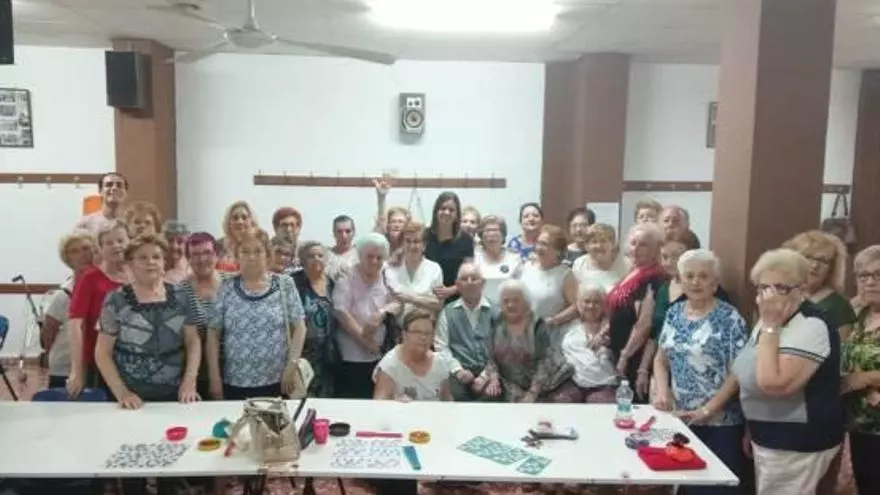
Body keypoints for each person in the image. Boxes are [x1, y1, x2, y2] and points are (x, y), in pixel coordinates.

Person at [731, 249, 843, 495]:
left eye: (780, 288)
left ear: (801, 289)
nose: (770, 296)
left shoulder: (811, 323)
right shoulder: (769, 318)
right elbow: (749, 369)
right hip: (767, 432)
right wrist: (752, 427)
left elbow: (774, 384)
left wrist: (771, 325)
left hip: (797, 440)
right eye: (763, 288)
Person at [653, 249, 748, 495]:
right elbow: (661, 359)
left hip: (720, 422)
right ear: (681, 281)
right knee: (685, 485)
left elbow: (738, 372)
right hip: (681, 419)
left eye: (704, 276)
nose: (696, 282)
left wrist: (708, 410)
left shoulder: (730, 318)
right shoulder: (674, 312)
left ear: (715, 284)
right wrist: (663, 393)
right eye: (690, 276)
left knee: (713, 488)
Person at [95, 234, 202, 407]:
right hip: (130, 398)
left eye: (156, 257)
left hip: (177, 395)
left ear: (164, 262)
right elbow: (102, 352)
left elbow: (193, 341)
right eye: (143, 257)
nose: (150, 262)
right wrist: (122, 393)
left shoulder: (183, 295)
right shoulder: (115, 300)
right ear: (130, 263)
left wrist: (190, 381)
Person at [206, 230, 307, 400]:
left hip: (280, 381)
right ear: (236, 256)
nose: (251, 257)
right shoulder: (226, 287)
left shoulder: (284, 284)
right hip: (236, 382)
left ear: (267, 254)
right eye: (245, 251)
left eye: (258, 251)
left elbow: (300, 328)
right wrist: (214, 377)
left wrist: (291, 366)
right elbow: (213, 333)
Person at [372, 309, 451, 495]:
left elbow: (447, 400)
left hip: (433, 430)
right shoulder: (390, 365)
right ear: (404, 334)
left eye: (428, 333)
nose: (422, 338)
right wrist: (395, 405)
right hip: (402, 434)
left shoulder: (440, 362)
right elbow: (377, 407)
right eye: (416, 332)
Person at [482, 279, 578, 403]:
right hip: (511, 385)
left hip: (547, 383)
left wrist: (533, 392)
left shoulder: (537, 324)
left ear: (526, 302)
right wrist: (494, 378)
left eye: (516, 300)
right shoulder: (495, 322)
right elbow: (489, 357)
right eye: (506, 301)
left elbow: (545, 361)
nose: (510, 305)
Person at [332, 233, 402, 399]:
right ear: (360, 255)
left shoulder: (387, 274)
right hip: (351, 355)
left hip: (381, 352)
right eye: (369, 256)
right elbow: (340, 312)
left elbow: (398, 301)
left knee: (379, 399)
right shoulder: (347, 277)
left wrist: (381, 313)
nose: (375, 261)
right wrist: (365, 342)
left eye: (379, 257)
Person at [66, 220, 130, 397]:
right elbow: (75, 325)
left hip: (133, 361)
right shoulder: (90, 278)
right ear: (100, 248)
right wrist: (76, 370)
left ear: (129, 242)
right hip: (98, 361)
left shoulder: (137, 276)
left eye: (120, 240)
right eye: (109, 243)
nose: (116, 246)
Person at [606, 223, 666, 401]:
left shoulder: (654, 278)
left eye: (643, 244)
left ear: (656, 249)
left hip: (636, 354)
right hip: (621, 348)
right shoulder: (633, 271)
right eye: (633, 243)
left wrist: (625, 355)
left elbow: (644, 324)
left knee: (634, 404)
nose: (636, 248)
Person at [841, 245, 880, 494]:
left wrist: (866, 378)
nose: (870, 281)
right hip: (858, 425)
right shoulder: (855, 314)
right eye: (863, 275)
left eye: (878, 275)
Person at [435, 262, 496, 401]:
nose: (469, 282)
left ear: (483, 283)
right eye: (464, 279)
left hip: (490, 372)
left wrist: (485, 376)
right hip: (458, 373)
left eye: (474, 278)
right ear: (457, 284)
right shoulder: (447, 312)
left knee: (492, 394)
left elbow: (502, 349)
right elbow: (441, 347)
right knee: (454, 396)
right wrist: (458, 371)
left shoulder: (496, 311)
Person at [41, 232, 96, 388]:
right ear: (67, 259)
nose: (82, 255)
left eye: (86, 248)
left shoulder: (107, 286)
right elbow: (48, 332)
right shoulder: (63, 294)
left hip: (98, 367)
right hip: (64, 368)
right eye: (74, 251)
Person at [783, 230, 856, 339]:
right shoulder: (783, 295)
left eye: (823, 260)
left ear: (831, 269)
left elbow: (840, 346)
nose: (815, 265)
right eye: (808, 257)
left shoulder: (838, 306)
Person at [180, 232, 223, 399]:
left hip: (232, 371)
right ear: (188, 259)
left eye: (207, 253)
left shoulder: (231, 284)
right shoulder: (180, 290)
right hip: (195, 374)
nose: (202, 259)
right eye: (195, 255)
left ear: (216, 254)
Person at [293, 241, 337, 398]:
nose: (317, 259)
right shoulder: (294, 283)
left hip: (328, 354)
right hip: (302, 354)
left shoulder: (332, 284)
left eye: (320, 255)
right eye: (311, 256)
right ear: (302, 260)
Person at [561, 284, 617, 403]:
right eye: (587, 301)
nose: (591, 306)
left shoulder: (612, 328)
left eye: (596, 302)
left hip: (603, 384)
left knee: (601, 404)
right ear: (579, 304)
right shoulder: (568, 327)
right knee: (562, 401)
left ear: (603, 305)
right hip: (573, 383)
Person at [519, 224, 578, 325]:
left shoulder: (565, 275)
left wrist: (554, 320)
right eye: (538, 243)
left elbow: (576, 307)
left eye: (544, 244)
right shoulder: (527, 267)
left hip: (551, 328)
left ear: (558, 251)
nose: (539, 247)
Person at [384, 221, 443, 320]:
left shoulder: (434, 269)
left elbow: (438, 304)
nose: (412, 246)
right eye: (408, 241)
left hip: (423, 325)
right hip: (393, 326)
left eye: (416, 241)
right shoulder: (389, 268)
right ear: (402, 244)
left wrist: (411, 299)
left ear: (424, 245)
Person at [424, 191, 475, 302]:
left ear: (457, 215)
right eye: (442, 208)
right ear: (436, 211)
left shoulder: (466, 240)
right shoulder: (424, 235)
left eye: (451, 210)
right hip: (426, 296)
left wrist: (451, 290)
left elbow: (469, 276)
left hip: (456, 298)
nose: (446, 212)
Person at [474, 215, 522, 305]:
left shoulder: (514, 258)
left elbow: (521, 288)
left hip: (509, 307)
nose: (491, 234)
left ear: (503, 235)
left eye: (495, 230)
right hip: (481, 308)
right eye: (488, 230)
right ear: (481, 236)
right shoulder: (474, 258)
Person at [571, 223, 627, 293]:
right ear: (586, 246)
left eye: (603, 241)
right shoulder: (579, 264)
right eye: (594, 242)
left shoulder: (625, 264)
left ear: (612, 244)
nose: (599, 246)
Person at [216, 201, 258, 273]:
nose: (240, 221)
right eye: (235, 218)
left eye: (244, 217)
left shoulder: (259, 246)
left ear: (251, 222)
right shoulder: (217, 246)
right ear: (229, 223)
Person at [326, 215, 358, 280]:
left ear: (354, 233)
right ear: (334, 233)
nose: (344, 236)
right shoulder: (325, 255)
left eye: (348, 231)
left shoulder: (362, 255)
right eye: (339, 232)